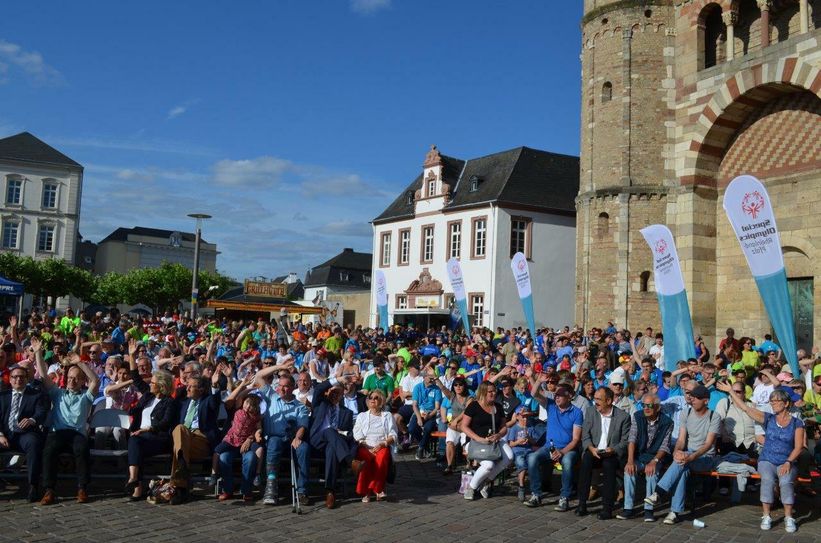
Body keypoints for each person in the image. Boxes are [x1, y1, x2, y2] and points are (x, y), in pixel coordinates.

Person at [716, 381, 804, 533]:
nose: (772, 403)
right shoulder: (768, 418)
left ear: (786, 403)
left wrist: (789, 461)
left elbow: (798, 447)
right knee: (767, 480)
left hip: (786, 460)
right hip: (767, 459)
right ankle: (766, 515)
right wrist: (730, 391)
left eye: (776, 401)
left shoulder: (797, 423)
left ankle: (789, 517)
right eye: (771, 401)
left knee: (785, 481)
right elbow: (746, 408)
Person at [33, 338, 100, 505]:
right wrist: (38, 353)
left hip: (77, 433)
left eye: (76, 378)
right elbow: (43, 375)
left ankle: (82, 488)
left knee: (82, 449)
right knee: (49, 451)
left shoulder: (86, 397)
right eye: (70, 377)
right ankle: (49, 490)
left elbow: (95, 381)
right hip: (58, 432)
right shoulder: (58, 393)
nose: (72, 381)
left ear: (82, 381)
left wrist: (80, 362)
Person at [644, 384, 721, 525]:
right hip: (687, 456)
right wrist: (676, 452)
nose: (693, 399)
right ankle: (674, 512)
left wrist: (691, 457)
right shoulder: (686, 413)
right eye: (692, 396)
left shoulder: (714, 416)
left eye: (697, 398)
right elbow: (681, 440)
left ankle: (659, 493)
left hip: (705, 457)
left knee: (682, 463)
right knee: (683, 468)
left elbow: (708, 445)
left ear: (706, 401)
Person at [255, 362, 310, 506]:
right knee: (274, 442)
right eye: (280, 385)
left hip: (292, 439)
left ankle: (302, 491)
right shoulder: (271, 396)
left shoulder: (300, 407)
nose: (281, 388)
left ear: (292, 387)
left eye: (285, 386)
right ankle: (271, 488)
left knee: (304, 449)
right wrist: (279, 367)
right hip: (274, 439)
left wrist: (298, 437)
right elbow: (259, 376)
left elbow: (302, 425)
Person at [525, 381, 583, 511]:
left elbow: (575, 440)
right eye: (556, 394)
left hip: (568, 449)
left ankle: (564, 497)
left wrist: (561, 452)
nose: (557, 397)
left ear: (569, 396)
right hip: (549, 447)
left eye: (560, 395)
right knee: (532, 458)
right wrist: (538, 380)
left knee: (567, 461)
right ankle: (536, 494)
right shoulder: (551, 406)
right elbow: (534, 394)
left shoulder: (577, 412)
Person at [576, 386, 631, 519]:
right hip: (594, 450)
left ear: (608, 401)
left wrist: (613, 449)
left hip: (612, 453)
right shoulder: (591, 411)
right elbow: (585, 435)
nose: (595, 402)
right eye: (594, 399)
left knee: (608, 465)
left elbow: (625, 441)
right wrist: (590, 448)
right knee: (586, 461)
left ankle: (607, 508)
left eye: (598, 399)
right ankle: (582, 504)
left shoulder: (623, 417)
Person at [616, 393, 673, 522]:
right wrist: (630, 460)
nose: (646, 408)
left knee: (652, 473)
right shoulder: (638, 416)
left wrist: (654, 461)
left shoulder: (667, 422)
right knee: (629, 471)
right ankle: (628, 508)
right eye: (643, 405)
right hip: (639, 456)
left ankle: (649, 509)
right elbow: (632, 439)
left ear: (657, 407)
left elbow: (664, 446)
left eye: (649, 405)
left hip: (655, 456)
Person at [308, 376, 362, 509]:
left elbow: (350, 434)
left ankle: (330, 492)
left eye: (338, 393)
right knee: (329, 431)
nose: (334, 395)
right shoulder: (319, 404)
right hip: (316, 441)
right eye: (332, 391)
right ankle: (350, 462)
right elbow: (318, 389)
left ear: (342, 395)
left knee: (332, 448)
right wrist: (338, 379)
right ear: (327, 392)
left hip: (335, 446)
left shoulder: (347, 412)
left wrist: (342, 433)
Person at [125, 368, 178, 500]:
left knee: (135, 442)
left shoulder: (170, 402)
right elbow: (136, 378)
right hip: (141, 437)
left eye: (153, 383)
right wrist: (132, 358)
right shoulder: (148, 396)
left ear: (161, 386)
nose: (150, 384)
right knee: (136, 444)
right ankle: (135, 481)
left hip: (158, 438)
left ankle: (135, 483)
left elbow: (165, 423)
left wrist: (148, 429)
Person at [0, 363, 48, 501]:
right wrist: (0, 435)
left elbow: (41, 411)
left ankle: (33, 486)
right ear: (10, 379)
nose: (18, 379)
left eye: (21, 377)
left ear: (27, 379)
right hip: (5, 434)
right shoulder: (2, 396)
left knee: (34, 443)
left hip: (24, 434)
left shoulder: (36, 395)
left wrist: (32, 420)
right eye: (15, 377)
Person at [460, 381, 512, 500]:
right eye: (490, 391)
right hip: (474, 441)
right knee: (489, 465)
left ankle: (486, 482)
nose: (494, 393)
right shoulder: (473, 406)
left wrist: (498, 435)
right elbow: (464, 426)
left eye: (494, 391)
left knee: (509, 457)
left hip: (494, 440)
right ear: (483, 393)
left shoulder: (498, 407)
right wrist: (479, 439)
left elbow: (504, 427)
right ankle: (471, 488)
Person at [352, 389, 398, 502]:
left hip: (381, 445)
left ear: (382, 401)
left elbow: (393, 434)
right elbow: (357, 433)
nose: (373, 400)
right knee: (366, 460)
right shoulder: (362, 416)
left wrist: (383, 443)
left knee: (382, 456)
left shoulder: (387, 415)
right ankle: (369, 491)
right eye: (371, 398)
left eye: (376, 398)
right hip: (365, 446)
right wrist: (365, 446)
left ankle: (376, 489)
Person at [214, 394, 262, 502]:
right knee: (223, 458)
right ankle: (227, 490)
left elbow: (258, 429)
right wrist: (247, 387)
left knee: (250, 458)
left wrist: (251, 438)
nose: (248, 407)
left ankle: (246, 490)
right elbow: (239, 396)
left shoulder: (256, 417)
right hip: (231, 443)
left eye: (251, 405)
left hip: (246, 445)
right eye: (246, 403)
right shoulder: (237, 410)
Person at [440, 376, 473, 474]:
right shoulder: (452, 396)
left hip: (465, 426)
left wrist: (456, 420)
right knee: (449, 443)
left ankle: (469, 465)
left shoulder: (470, 398)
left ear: (464, 386)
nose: (458, 387)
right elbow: (442, 388)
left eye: (460, 384)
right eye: (455, 385)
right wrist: (436, 378)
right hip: (454, 426)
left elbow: (466, 411)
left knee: (466, 446)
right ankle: (449, 465)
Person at [410, 369, 442, 461]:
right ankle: (426, 446)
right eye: (430, 377)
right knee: (412, 429)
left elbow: (437, 407)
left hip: (431, 413)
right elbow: (415, 405)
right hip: (419, 412)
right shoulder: (417, 387)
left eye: (433, 378)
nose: (432, 380)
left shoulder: (436, 389)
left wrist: (429, 415)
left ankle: (420, 448)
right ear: (424, 377)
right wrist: (419, 418)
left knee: (428, 428)